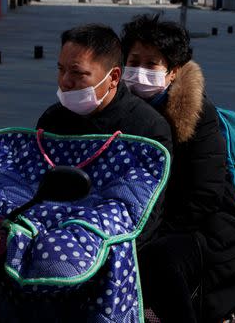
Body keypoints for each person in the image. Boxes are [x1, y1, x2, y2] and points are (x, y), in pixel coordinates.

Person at [121, 14, 235, 323]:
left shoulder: (197, 115)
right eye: (134, 61)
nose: (140, 72)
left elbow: (205, 195)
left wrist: (150, 231)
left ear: (172, 72)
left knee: (156, 258)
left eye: (151, 64)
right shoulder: (118, 108)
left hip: (207, 227)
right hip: (142, 219)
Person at [36, 23, 173, 244]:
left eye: (78, 73)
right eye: (61, 69)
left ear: (114, 77)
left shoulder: (146, 129)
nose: (65, 82)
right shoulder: (52, 119)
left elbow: (143, 214)